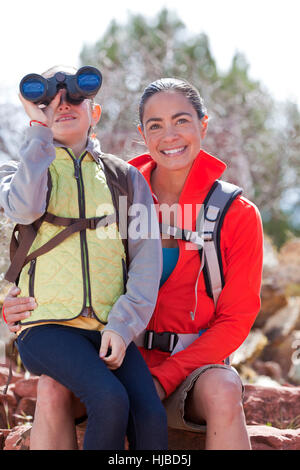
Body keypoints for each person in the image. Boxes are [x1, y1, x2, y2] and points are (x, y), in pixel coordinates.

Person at [2, 77, 264, 450]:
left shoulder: (236, 215)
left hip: (192, 371)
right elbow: (53, 250)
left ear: (203, 125)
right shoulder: (117, 188)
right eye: (155, 125)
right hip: (110, 355)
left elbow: (236, 321)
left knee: (224, 387)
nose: (169, 135)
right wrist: (13, 301)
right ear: (142, 133)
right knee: (53, 385)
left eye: (182, 121)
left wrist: (166, 377)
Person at [0, 66, 168, 450]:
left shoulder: (125, 178)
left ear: (95, 112)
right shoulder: (17, 171)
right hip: (47, 327)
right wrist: (39, 129)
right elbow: (24, 209)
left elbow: (146, 260)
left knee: (150, 416)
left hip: (109, 328)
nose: (62, 104)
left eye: (74, 96)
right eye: (49, 100)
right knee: (109, 399)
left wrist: (123, 326)